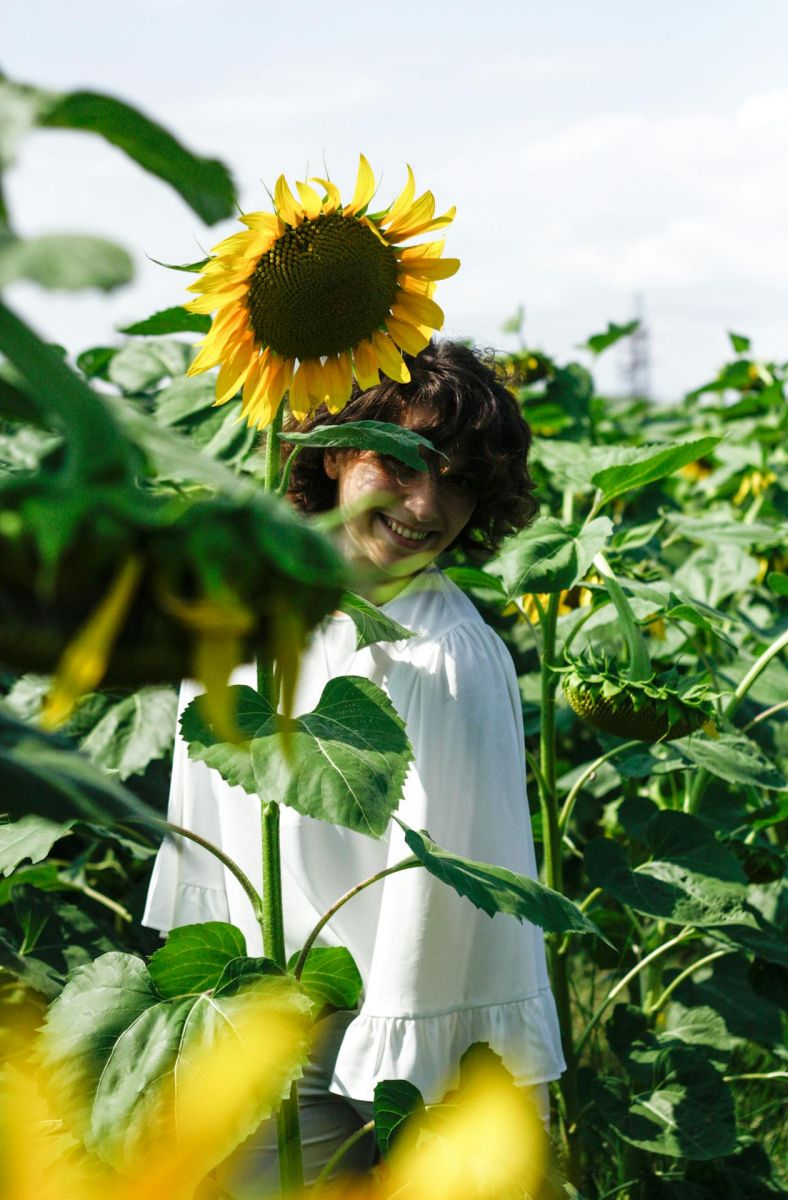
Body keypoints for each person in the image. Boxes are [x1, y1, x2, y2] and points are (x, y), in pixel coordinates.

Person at [142, 339, 565, 1192]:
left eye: (460, 481)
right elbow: (202, 832)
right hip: (239, 1019)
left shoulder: (446, 657)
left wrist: (401, 1091)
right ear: (335, 454)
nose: (427, 503)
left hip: (373, 1055)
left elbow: (452, 906)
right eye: (404, 463)